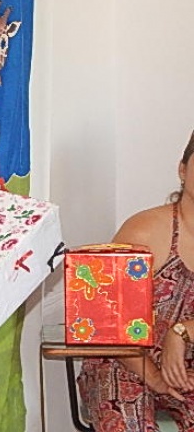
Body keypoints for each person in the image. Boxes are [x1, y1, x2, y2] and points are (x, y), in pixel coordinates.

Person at [78, 130, 194, 431]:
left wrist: (182, 331)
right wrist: (153, 375)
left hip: (186, 370)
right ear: (182, 170)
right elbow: (102, 321)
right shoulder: (142, 231)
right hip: (121, 362)